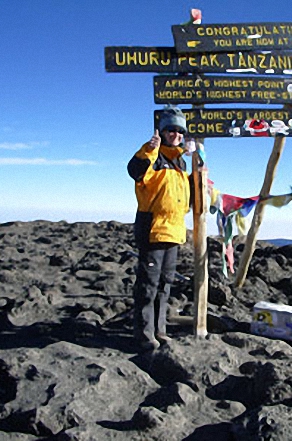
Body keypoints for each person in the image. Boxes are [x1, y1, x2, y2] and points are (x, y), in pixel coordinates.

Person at [127, 106, 190, 350]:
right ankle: (144, 335)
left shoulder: (180, 164)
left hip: (174, 232)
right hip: (153, 230)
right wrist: (150, 149)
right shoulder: (153, 156)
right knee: (148, 285)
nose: (175, 134)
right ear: (162, 132)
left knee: (165, 284)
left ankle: (159, 330)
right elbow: (135, 171)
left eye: (178, 130)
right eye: (170, 129)